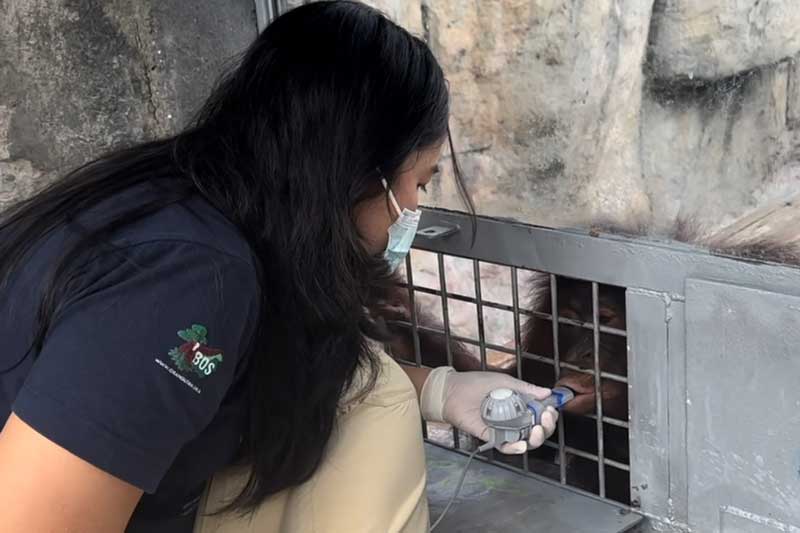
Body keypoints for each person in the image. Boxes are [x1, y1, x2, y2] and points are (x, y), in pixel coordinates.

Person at [0, 2, 557, 532]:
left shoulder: (192, 201)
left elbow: (297, 371)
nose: (413, 210)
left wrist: (442, 389)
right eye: (420, 181)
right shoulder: (189, 282)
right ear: (360, 171)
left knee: (374, 389)